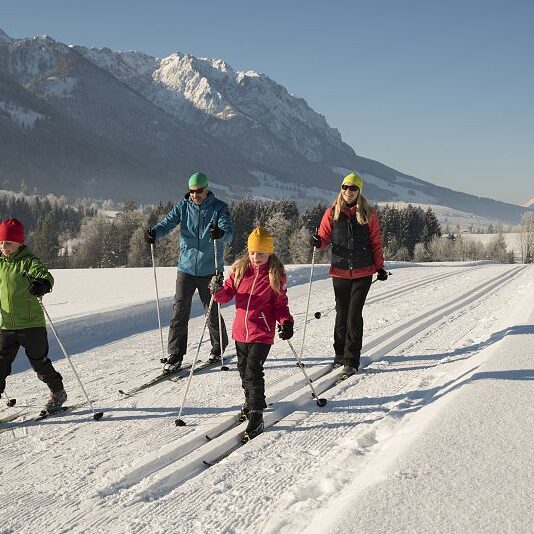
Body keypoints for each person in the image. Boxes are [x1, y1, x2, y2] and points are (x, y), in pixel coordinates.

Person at [210, 227, 294, 442]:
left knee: (252, 371)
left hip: (261, 331)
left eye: (262, 253)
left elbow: (280, 306)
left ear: (270, 253)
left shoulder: (274, 275)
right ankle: (250, 401)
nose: (257, 257)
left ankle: (256, 415)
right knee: (242, 370)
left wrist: (286, 322)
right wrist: (217, 289)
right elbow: (224, 297)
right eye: (253, 252)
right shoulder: (239, 271)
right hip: (240, 331)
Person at [145, 171, 234, 373]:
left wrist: (220, 233)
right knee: (179, 311)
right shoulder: (183, 207)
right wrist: (155, 233)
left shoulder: (219, 208)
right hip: (185, 268)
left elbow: (229, 235)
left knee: (211, 311)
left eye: (199, 191)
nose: (195, 195)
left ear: (206, 188)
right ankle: (175, 354)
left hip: (210, 269)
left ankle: (219, 347)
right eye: (192, 191)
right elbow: (167, 223)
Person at [310, 172, 387, 377]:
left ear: (359, 191)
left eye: (353, 188)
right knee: (341, 314)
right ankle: (339, 354)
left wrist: (379, 267)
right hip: (340, 270)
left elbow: (375, 242)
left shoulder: (368, 214)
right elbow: (324, 239)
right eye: (345, 187)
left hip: (363, 271)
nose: (348, 192)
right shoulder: (331, 212)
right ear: (341, 189)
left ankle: (351, 360)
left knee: (354, 315)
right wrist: (318, 243)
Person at [0, 218, 67, 413]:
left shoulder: (29, 261)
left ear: (20, 243)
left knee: (39, 362)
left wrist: (42, 284)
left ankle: (58, 391)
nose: (4, 247)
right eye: (1, 242)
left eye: (9, 243)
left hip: (31, 325)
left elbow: (44, 274)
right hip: (6, 326)